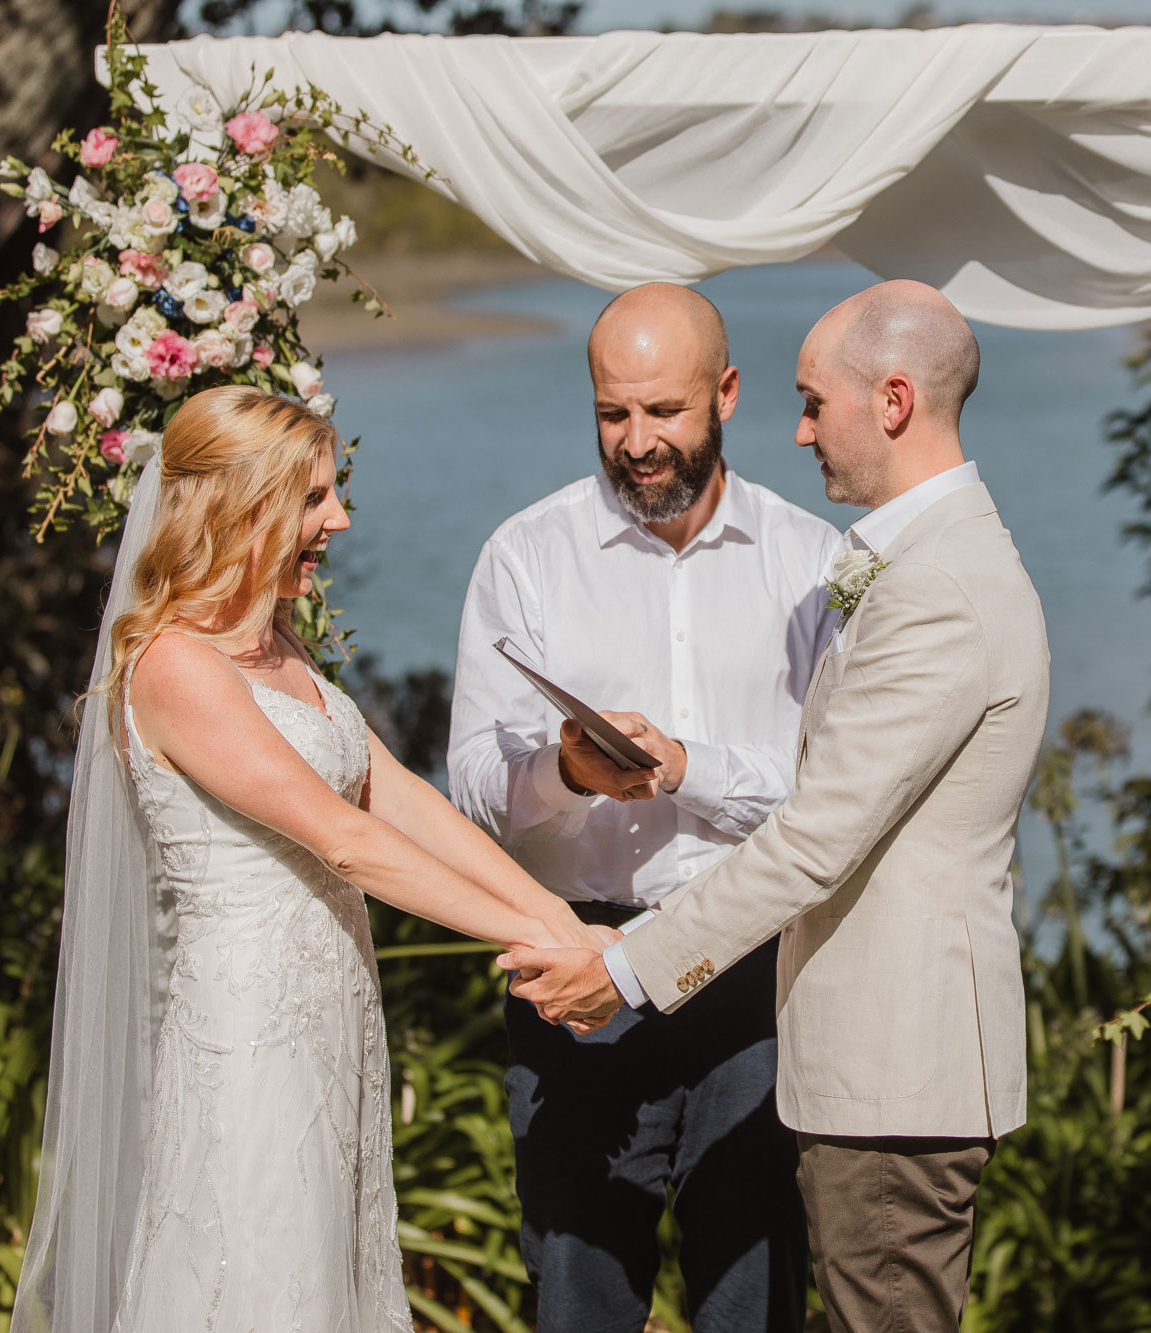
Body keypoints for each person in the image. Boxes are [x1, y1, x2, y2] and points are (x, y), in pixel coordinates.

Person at [502, 280, 1050, 1333]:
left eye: (811, 403)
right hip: (871, 1068)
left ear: (891, 400)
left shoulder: (937, 587)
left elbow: (813, 839)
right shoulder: (921, 563)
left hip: (895, 1070)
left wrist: (622, 968)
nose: (797, 433)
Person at [12, 386, 613, 1333]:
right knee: (256, 1262)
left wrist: (562, 922)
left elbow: (397, 797)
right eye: (313, 497)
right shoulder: (174, 667)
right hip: (247, 1026)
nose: (337, 518)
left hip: (329, 1012)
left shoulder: (281, 650)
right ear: (242, 505)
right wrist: (541, 943)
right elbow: (345, 837)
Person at [448, 283, 843, 1332]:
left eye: (663, 413)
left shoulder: (814, 564)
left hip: (754, 976)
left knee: (752, 1302)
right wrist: (567, 774)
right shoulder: (523, 557)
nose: (636, 443)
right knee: (576, 1301)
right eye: (611, 414)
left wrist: (687, 767)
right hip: (577, 973)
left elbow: (838, 800)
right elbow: (476, 796)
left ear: (725, 393)